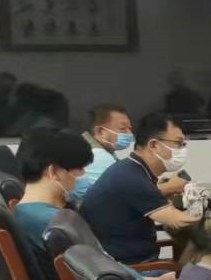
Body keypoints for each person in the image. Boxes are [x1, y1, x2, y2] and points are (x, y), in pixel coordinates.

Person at [11, 131, 173, 280]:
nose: (82, 177)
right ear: (54, 171)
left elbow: (103, 268)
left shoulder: (25, 213)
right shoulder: (58, 226)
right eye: (78, 170)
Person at [79, 112, 197, 265]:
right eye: (179, 143)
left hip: (127, 260)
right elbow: (178, 221)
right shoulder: (131, 177)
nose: (182, 149)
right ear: (154, 145)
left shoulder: (132, 168)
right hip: (129, 268)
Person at [73, 104, 134, 201]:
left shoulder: (84, 146)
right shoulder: (97, 155)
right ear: (100, 131)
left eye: (129, 129)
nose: (130, 134)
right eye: (123, 129)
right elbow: (129, 195)